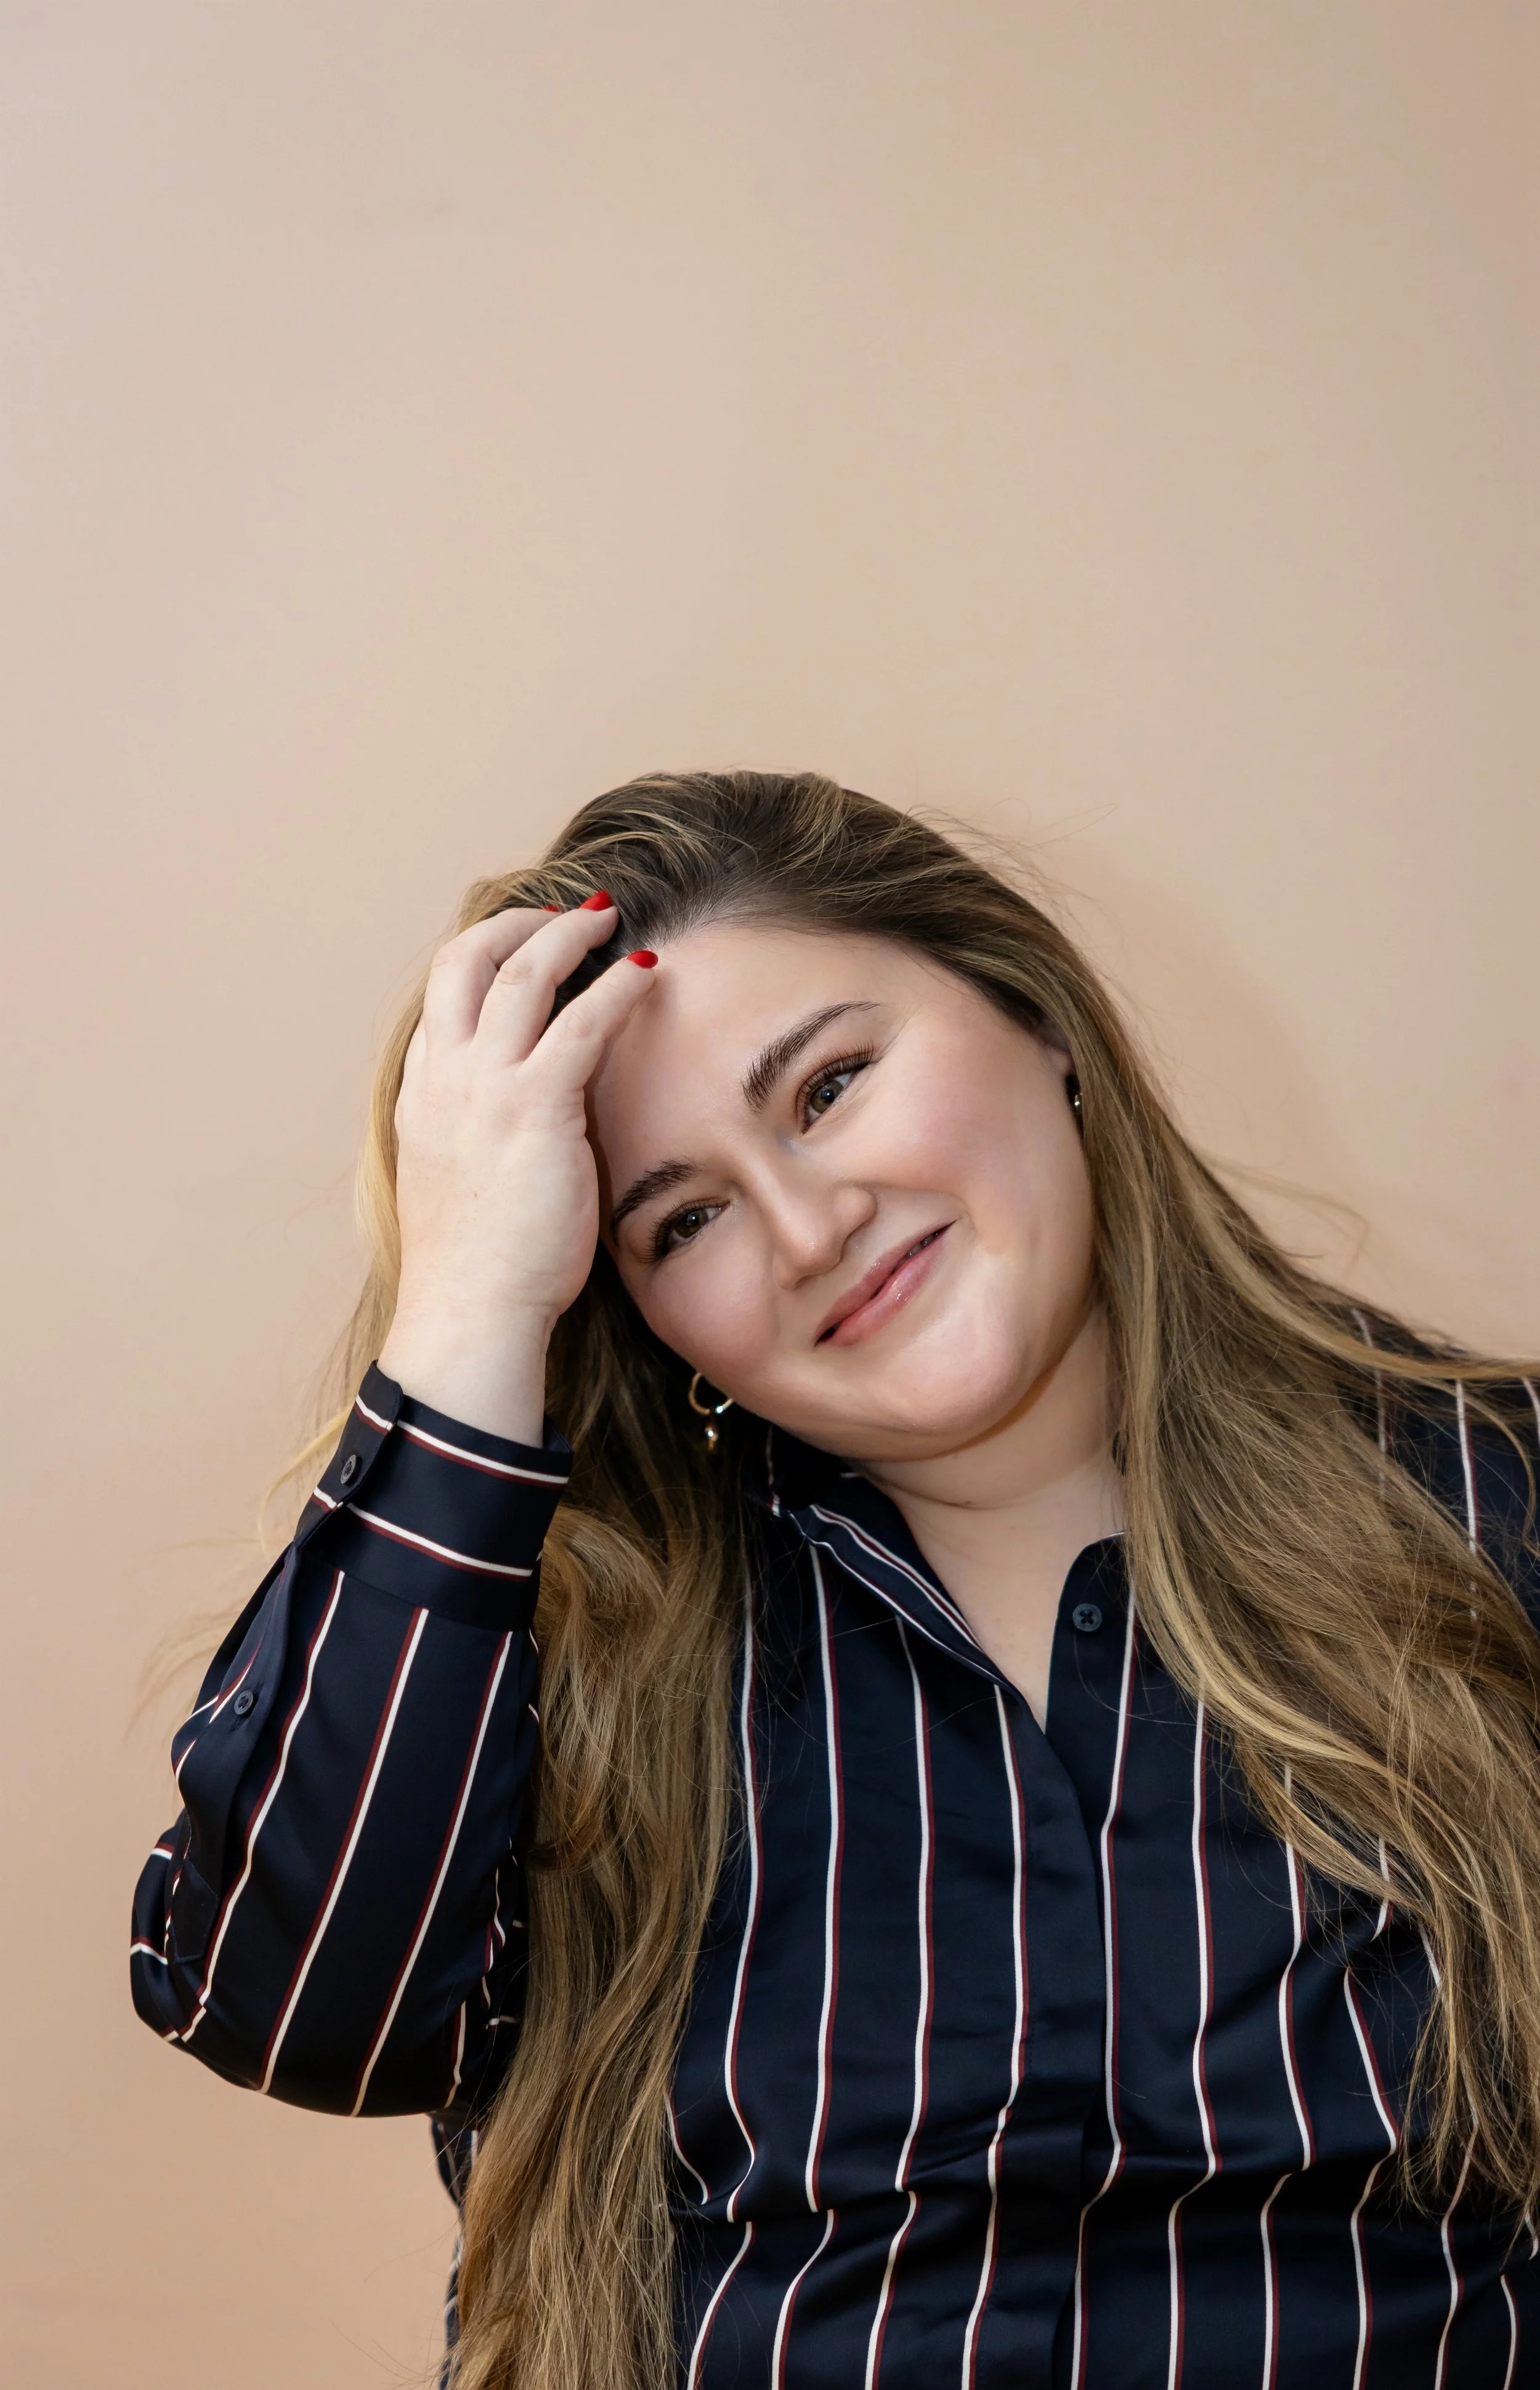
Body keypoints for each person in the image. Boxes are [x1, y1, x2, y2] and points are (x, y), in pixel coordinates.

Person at [132, 771, 1540, 2390]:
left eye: (829, 1086)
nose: (806, 1229)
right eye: (685, 1220)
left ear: (1037, 1015)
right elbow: (294, 2011)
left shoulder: (1486, 1505)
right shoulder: (549, 1646)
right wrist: (462, 1311)